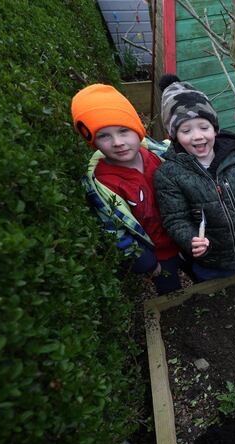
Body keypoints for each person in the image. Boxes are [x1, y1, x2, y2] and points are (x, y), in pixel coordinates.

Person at [154, 75, 235, 281]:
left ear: (215, 129)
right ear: (173, 135)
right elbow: (175, 219)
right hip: (210, 262)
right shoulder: (169, 174)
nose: (197, 136)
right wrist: (191, 239)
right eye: (186, 130)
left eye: (204, 127)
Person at [71, 84, 186, 294]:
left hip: (188, 238)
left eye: (124, 131)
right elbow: (115, 230)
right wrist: (147, 263)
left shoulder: (159, 156)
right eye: (104, 136)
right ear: (92, 142)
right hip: (159, 254)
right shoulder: (102, 184)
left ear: (137, 129)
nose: (117, 142)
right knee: (173, 298)